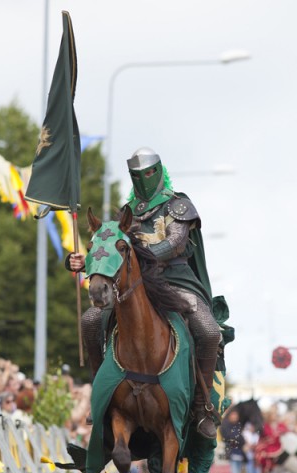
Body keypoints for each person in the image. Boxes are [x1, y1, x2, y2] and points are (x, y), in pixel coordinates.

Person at [67, 147, 225, 440]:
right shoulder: (126, 214)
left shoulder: (178, 205)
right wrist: (78, 261)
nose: (144, 179)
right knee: (90, 321)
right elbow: (106, 249)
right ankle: (101, 394)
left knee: (208, 330)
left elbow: (176, 243)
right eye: (137, 175)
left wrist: (140, 255)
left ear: (159, 171)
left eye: (149, 172)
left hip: (175, 281)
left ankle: (202, 407)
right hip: (133, 284)